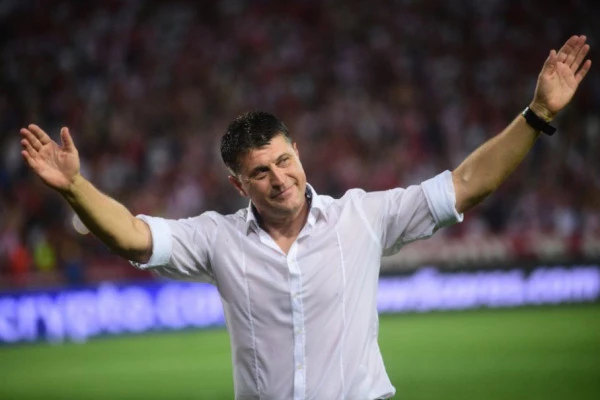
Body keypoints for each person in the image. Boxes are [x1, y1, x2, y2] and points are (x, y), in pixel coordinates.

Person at [19, 35, 591, 399]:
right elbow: (132, 237)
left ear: (298, 153)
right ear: (238, 184)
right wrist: (74, 187)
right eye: (260, 171)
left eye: (284, 160)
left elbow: (466, 185)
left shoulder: (363, 216)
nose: (280, 178)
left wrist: (537, 113)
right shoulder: (216, 239)